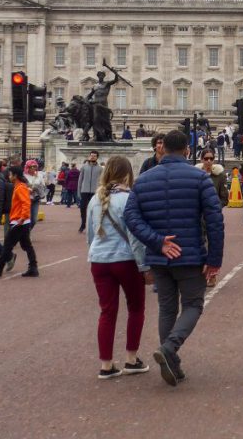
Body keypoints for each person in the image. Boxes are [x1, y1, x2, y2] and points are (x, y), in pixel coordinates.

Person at [123, 130, 224, 388]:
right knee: (193, 305)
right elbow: (214, 221)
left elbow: (131, 218)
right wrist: (214, 259)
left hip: (159, 256)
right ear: (188, 150)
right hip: (190, 255)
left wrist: (157, 241)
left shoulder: (144, 180)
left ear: (163, 149)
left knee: (167, 308)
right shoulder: (200, 178)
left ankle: (172, 363)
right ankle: (169, 348)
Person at [86, 156, 150, 380]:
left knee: (107, 312)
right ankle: (131, 359)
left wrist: (95, 254)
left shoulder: (95, 199)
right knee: (136, 308)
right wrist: (144, 266)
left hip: (99, 260)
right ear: (127, 174)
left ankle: (106, 364)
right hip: (125, 260)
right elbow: (135, 237)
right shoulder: (129, 199)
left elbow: (90, 235)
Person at [0, 165, 38, 277]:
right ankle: (33, 267)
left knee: (8, 245)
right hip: (21, 221)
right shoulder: (19, 187)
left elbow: (26, 203)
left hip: (19, 222)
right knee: (26, 245)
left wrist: (22, 217)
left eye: (10, 174)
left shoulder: (20, 187)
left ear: (15, 176)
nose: (9, 176)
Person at [78, 151, 102, 234]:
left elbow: (101, 180)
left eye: (94, 156)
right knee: (83, 208)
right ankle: (83, 223)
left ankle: (93, 224)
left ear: (97, 158)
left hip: (95, 192)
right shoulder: (84, 167)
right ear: (89, 156)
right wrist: (79, 192)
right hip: (84, 190)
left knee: (94, 209)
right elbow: (80, 180)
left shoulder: (100, 168)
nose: (92, 157)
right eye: (91, 156)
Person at [25, 160, 46, 230]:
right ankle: (27, 234)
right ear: (28, 167)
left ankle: (28, 231)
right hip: (26, 199)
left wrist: (37, 188)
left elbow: (43, 185)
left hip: (36, 199)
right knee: (27, 218)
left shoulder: (39, 175)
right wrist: (28, 189)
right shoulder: (24, 176)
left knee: (34, 219)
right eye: (32, 167)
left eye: (35, 166)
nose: (34, 168)